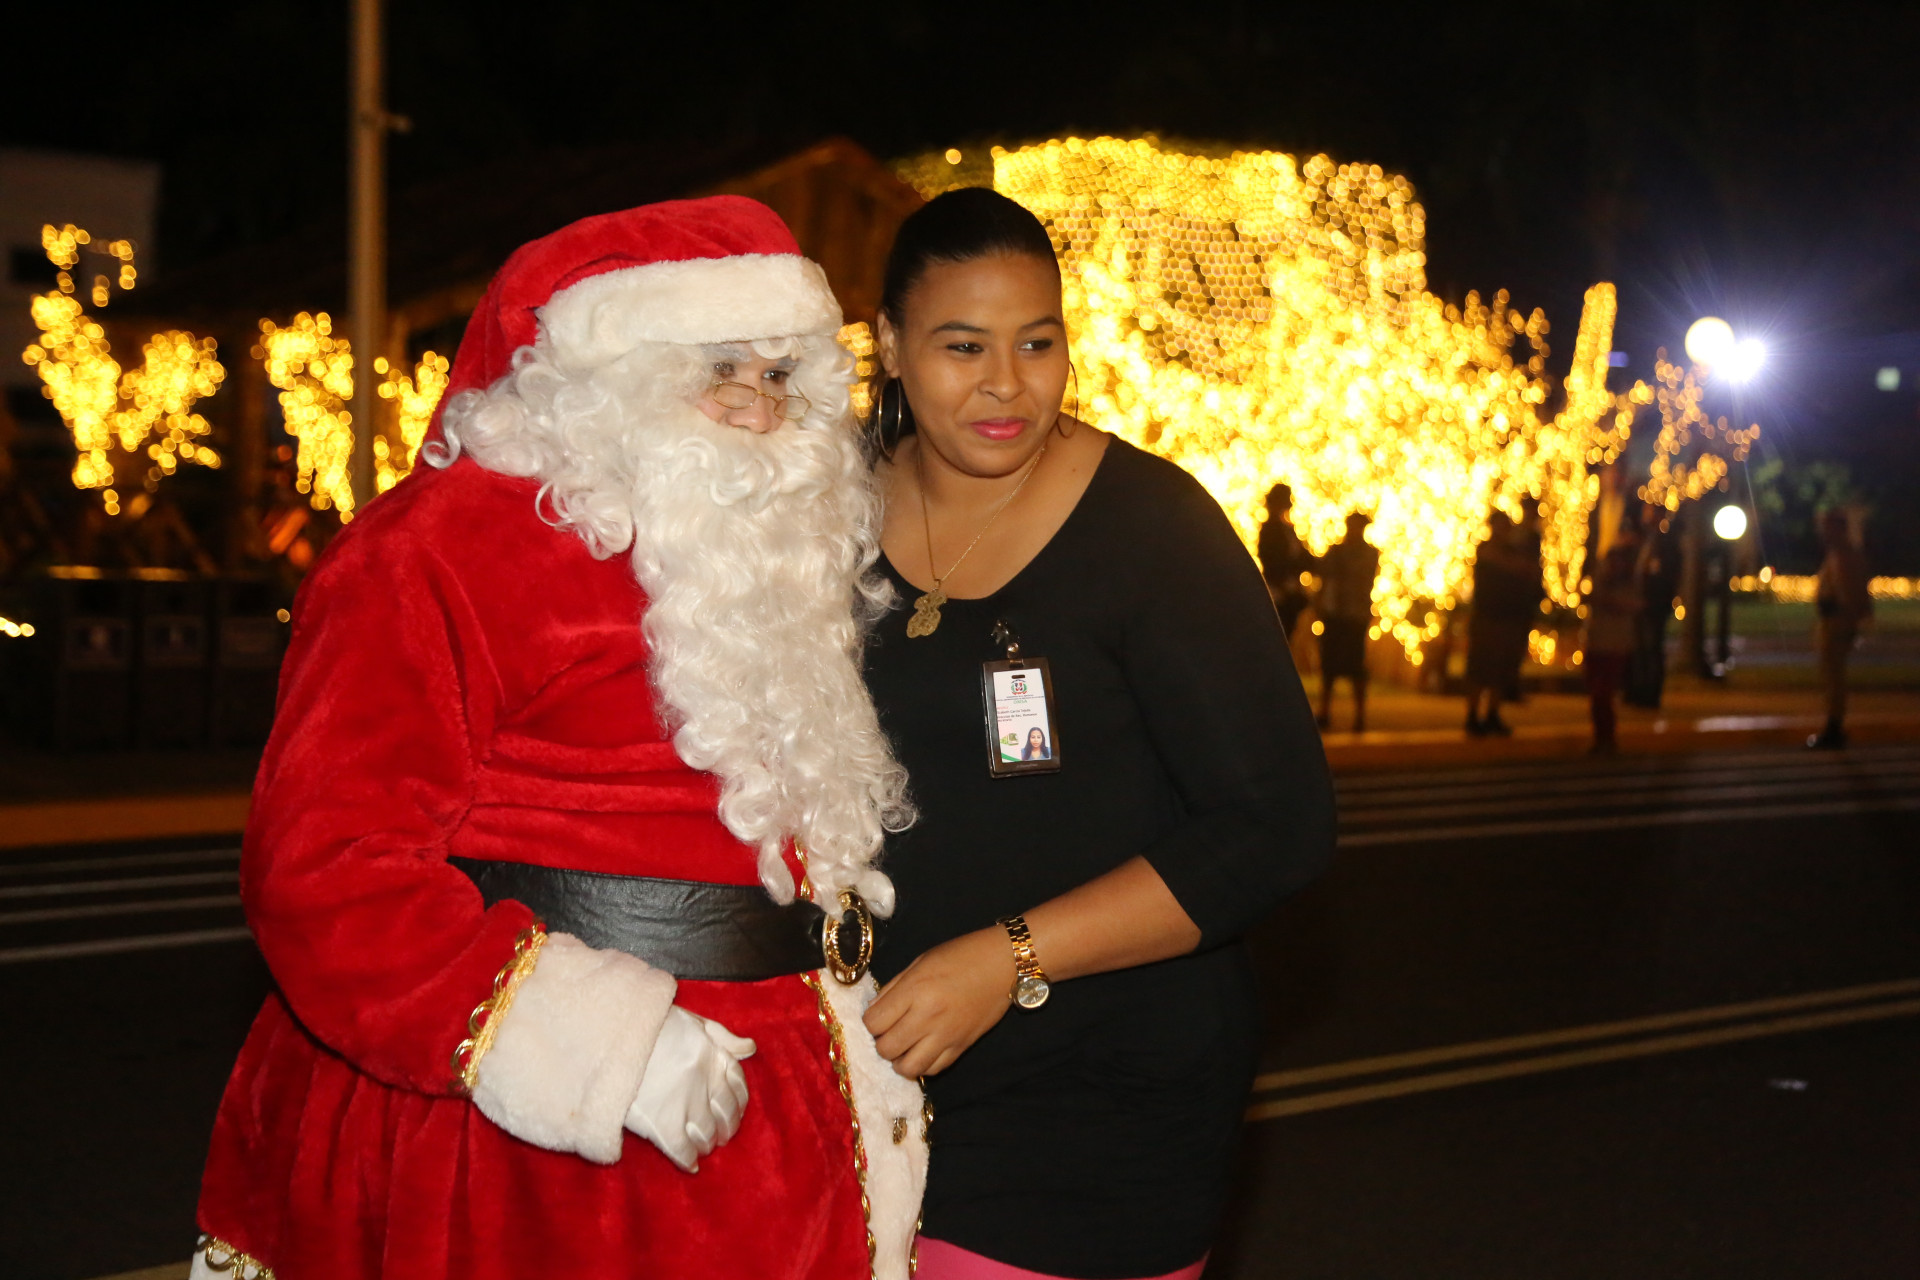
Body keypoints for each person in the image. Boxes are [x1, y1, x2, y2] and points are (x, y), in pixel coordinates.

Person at [187, 198, 928, 1280]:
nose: (760, 407)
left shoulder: (766, 560)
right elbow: (325, 866)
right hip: (535, 1153)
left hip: (771, 1132)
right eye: (720, 367)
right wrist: (595, 1045)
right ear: (606, 376)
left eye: (783, 374)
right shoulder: (440, 545)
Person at [858, 187, 1336, 1280]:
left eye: (1038, 342)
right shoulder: (824, 512)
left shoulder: (1152, 527)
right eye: (962, 346)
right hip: (875, 1078)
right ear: (888, 344)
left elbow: (1277, 824)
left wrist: (1007, 957)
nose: (1006, 382)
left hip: (1097, 1094)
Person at [1464, 509, 1541, 736]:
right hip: (1487, 619)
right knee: (1481, 669)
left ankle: (1492, 714)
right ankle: (1473, 715)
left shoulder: (1510, 551)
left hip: (1506, 619)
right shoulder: (1487, 549)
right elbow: (1516, 566)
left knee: (1500, 670)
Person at [1809, 509, 1872, 749]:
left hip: (1837, 621)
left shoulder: (1845, 555)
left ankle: (1834, 726)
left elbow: (1850, 592)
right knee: (1831, 675)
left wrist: (1849, 619)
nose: (1824, 532)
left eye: (1828, 527)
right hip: (1834, 620)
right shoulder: (1839, 553)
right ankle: (1833, 724)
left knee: (1833, 677)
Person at [1314, 511, 1381, 733]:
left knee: (1356, 666)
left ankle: (1359, 716)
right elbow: (1323, 578)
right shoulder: (1336, 552)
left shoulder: (1367, 554)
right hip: (1336, 613)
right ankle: (1325, 711)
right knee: (1329, 665)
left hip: (1354, 615)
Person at [1582, 541, 1644, 753]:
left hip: (1614, 646)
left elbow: (1634, 605)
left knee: (1604, 693)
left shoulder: (1629, 585)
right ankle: (1601, 736)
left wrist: (1608, 601)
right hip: (1597, 643)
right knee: (1597, 693)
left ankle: (1606, 737)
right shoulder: (1600, 580)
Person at [1257, 482, 1316, 640]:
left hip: (1288, 593)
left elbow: (1305, 560)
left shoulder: (1286, 529)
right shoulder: (1270, 530)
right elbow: (1272, 561)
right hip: (1278, 593)